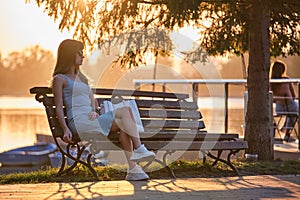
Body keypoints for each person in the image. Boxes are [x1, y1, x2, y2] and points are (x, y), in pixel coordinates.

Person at [52, 39, 155, 180]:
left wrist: (95, 110)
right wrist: (65, 129)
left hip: (91, 119)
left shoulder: (82, 79)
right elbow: (58, 107)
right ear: (69, 55)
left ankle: (133, 170)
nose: (83, 56)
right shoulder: (60, 79)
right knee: (125, 111)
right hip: (78, 123)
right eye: (79, 53)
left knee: (125, 124)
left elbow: (93, 100)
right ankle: (138, 149)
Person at [270, 60, 298, 142]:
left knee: (291, 112)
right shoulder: (287, 80)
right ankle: (287, 134)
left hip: (279, 108)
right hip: (290, 106)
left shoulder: (271, 82)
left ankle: (284, 127)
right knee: (295, 113)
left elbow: (272, 99)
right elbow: (294, 96)